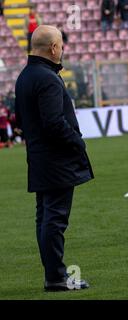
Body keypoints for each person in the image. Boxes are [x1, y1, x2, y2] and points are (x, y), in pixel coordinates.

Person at [15, 25, 94, 291]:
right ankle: (57, 277)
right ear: (53, 48)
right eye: (61, 44)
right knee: (55, 219)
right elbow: (53, 122)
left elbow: (24, 120)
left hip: (39, 157)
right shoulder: (47, 77)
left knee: (45, 217)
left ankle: (53, 274)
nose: (62, 49)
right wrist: (77, 142)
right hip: (57, 161)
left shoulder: (26, 76)